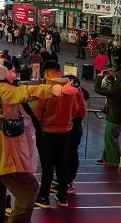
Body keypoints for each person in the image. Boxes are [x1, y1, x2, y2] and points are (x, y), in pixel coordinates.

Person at [0, 57, 79, 222]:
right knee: (29, 189)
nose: (14, 75)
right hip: (3, 155)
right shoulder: (2, 89)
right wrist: (57, 90)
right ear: (1, 73)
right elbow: (27, 92)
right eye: (12, 71)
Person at [32, 61, 86, 208]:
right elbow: (82, 112)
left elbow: (35, 114)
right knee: (62, 164)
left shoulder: (45, 89)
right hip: (66, 132)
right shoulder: (75, 89)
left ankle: (43, 196)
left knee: (47, 166)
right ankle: (62, 196)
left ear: (47, 73)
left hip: (46, 133)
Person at [94, 65, 121, 167]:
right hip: (115, 116)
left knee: (110, 139)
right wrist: (112, 80)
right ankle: (105, 158)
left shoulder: (116, 90)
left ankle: (114, 162)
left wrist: (99, 77)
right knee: (110, 138)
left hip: (114, 117)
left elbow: (97, 89)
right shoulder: (117, 87)